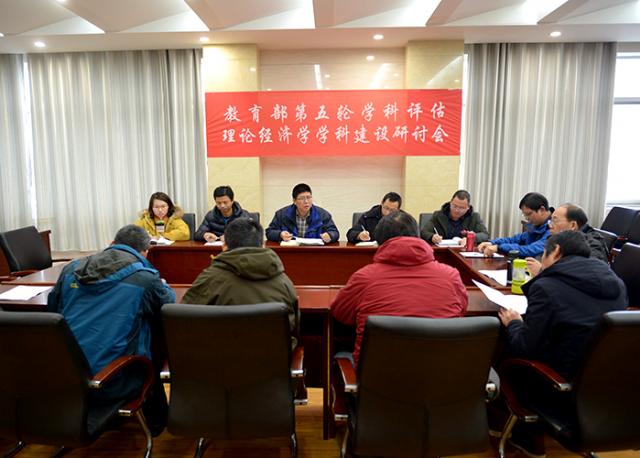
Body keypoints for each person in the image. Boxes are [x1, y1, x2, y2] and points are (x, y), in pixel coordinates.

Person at [497, 231, 627, 457]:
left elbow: (524, 347)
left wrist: (515, 323)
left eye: (544, 254)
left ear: (556, 251)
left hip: (560, 388)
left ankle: (527, 436)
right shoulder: (617, 283)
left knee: (504, 352)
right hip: (608, 388)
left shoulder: (547, 287)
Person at [47, 225, 176, 435]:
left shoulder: (71, 270)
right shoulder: (145, 279)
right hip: (113, 382)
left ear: (112, 244)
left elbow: (53, 312)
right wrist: (162, 284)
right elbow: (168, 305)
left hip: (66, 376)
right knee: (153, 343)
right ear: (145, 252)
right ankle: (156, 421)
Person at [331, 211, 468, 366]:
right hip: (443, 374)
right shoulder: (451, 276)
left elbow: (340, 313)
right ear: (417, 236)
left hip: (378, 376)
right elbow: (462, 310)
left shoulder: (365, 278)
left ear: (380, 242)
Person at [182, 217, 299, 349]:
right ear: (262, 245)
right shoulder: (283, 282)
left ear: (224, 246)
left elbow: (183, 319)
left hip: (219, 356)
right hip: (272, 357)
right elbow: (295, 327)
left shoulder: (210, 278)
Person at [525, 203, 610, 276]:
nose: (550, 225)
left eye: (555, 221)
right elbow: (543, 257)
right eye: (550, 221)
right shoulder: (559, 237)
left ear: (573, 225)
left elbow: (585, 273)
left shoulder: (592, 244)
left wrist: (542, 270)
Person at [477, 192, 552, 258]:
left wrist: (499, 248)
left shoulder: (553, 228)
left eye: (529, 214)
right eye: (525, 215)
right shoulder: (536, 225)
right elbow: (514, 239)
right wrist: (492, 243)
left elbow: (531, 249)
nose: (527, 219)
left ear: (542, 210)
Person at [266, 183, 339, 243]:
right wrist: (280, 234)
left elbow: (335, 233)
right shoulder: (282, 214)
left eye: (309, 197)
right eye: (302, 198)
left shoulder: (322, 214)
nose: (306, 201)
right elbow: (269, 232)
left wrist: (330, 235)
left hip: (314, 251)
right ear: (294, 201)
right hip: (291, 251)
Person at [420, 189, 490, 246]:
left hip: (464, 251)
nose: (457, 210)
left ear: (468, 207)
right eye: (454, 206)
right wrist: (432, 237)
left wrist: (472, 238)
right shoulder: (438, 215)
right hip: (443, 251)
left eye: (462, 208)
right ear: (450, 203)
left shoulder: (474, 217)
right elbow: (424, 232)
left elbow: (485, 235)